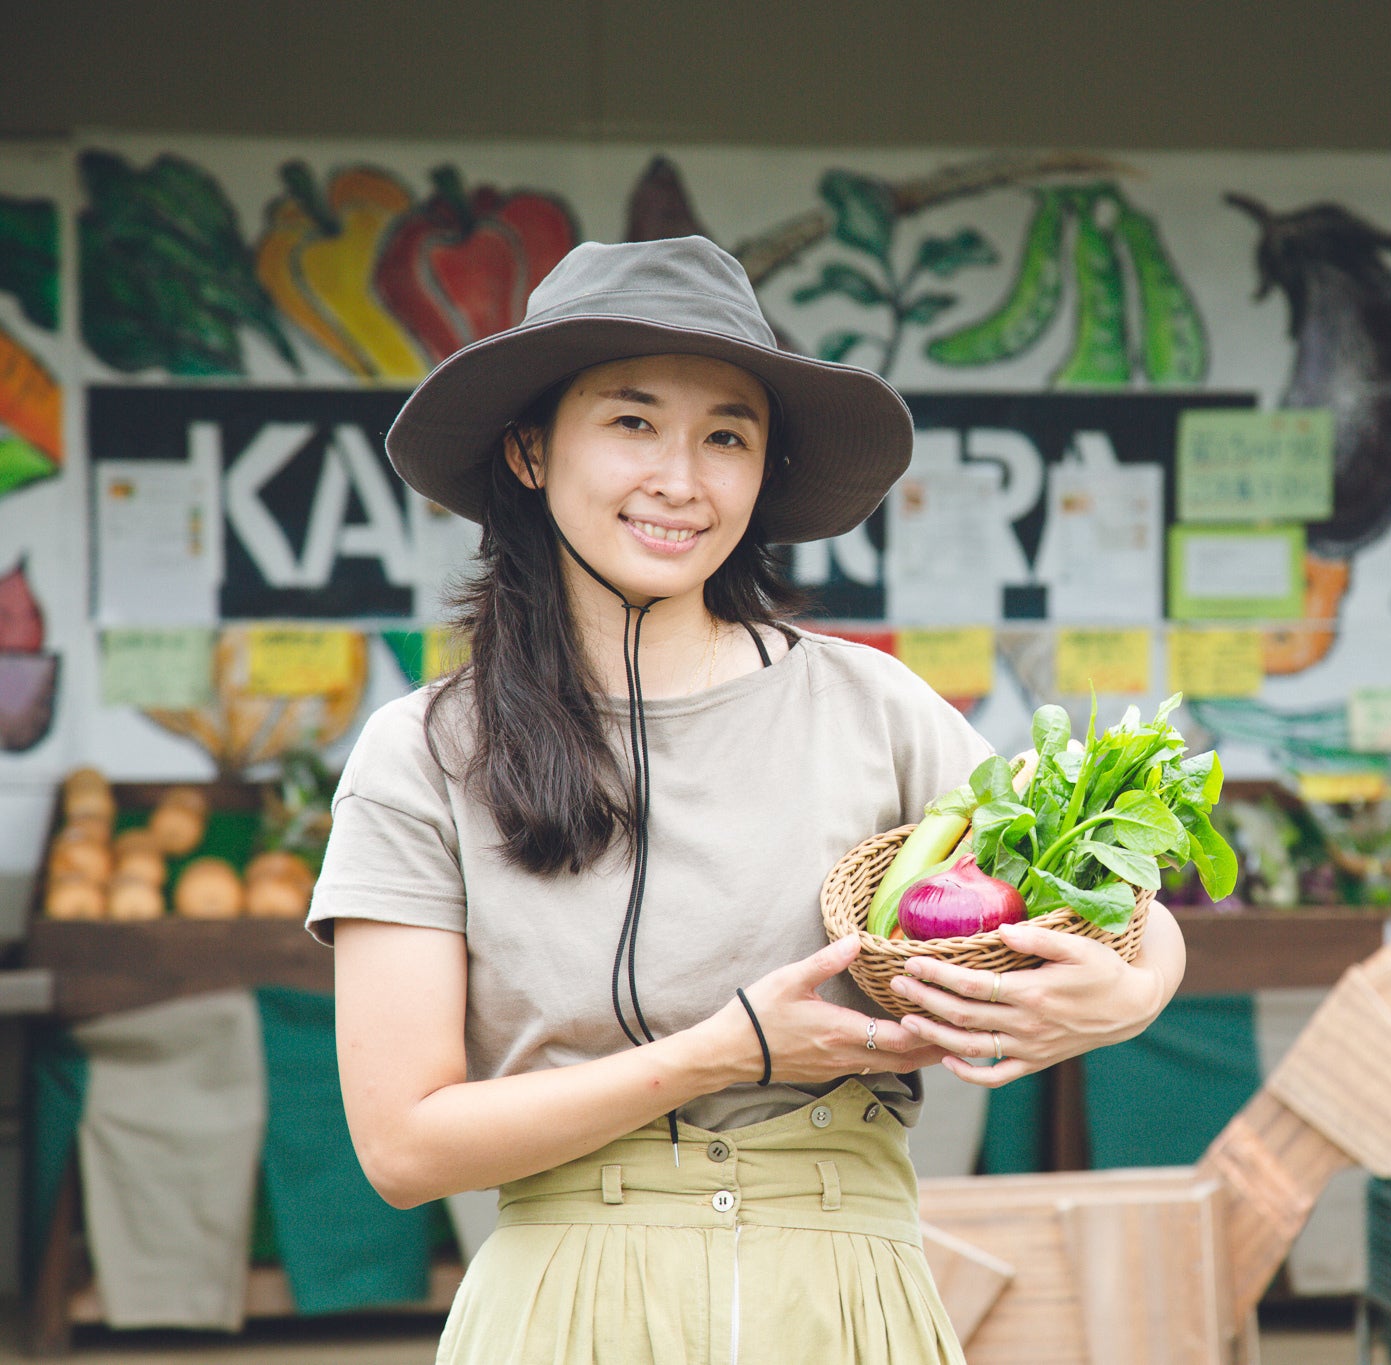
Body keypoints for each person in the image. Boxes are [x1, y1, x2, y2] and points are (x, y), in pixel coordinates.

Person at [307, 236, 1187, 1364]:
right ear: (529, 451)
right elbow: (402, 1147)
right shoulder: (425, 751)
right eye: (632, 423)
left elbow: (1124, 910)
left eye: (727, 435)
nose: (681, 478)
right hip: (565, 1310)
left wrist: (1129, 998)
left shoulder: (874, 706)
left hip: (843, 1300)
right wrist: (722, 1053)